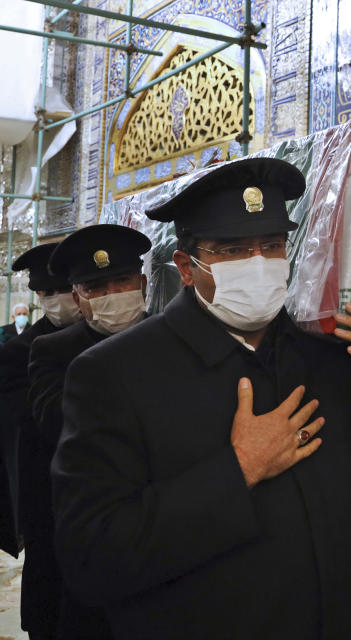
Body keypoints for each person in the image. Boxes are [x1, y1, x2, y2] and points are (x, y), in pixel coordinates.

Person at [51, 157, 351, 640]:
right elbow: (91, 557)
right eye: (232, 250)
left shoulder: (335, 355)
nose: (257, 264)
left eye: (271, 245)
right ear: (187, 267)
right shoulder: (114, 374)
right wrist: (238, 471)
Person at [27, 225, 151, 640]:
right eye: (96, 286)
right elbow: (55, 424)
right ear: (78, 298)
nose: (113, 293)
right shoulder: (52, 351)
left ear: (143, 284)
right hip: (92, 534)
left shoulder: (174, 338)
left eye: (122, 281)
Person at [0, 242, 82, 564]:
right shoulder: (17, 354)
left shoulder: (114, 341)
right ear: (39, 297)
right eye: (49, 292)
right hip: (43, 491)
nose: (58, 298)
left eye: (64, 288)